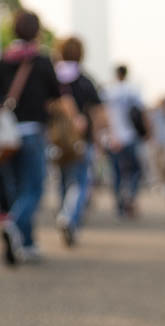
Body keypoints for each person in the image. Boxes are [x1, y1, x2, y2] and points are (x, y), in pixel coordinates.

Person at [0, 10, 78, 266]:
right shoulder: (42, 61)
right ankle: (14, 226)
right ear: (36, 31)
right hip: (33, 133)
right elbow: (58, 98)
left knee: (15, 191)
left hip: (6, 137)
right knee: (33, 188)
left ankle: (27, 242)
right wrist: (74, 122)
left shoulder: (1, 60)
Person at [54, 36, 105, 247]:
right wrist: (99, 137)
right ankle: (70, 217)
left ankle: (65, 211)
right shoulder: (86, 81)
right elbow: (98, 113)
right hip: (81, 141)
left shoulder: (53, 78)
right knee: (81, 182)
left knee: (64, 180)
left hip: (57, 140)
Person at [104, 64, 147, 218]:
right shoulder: (132, 90)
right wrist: (148, 132)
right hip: (130, 136)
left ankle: (119, 205)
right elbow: (142, 112)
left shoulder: (108, 91)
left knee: (116, 173)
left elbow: (102, 115)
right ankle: (131, 193)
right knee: (135, 170)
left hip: (113, 138)